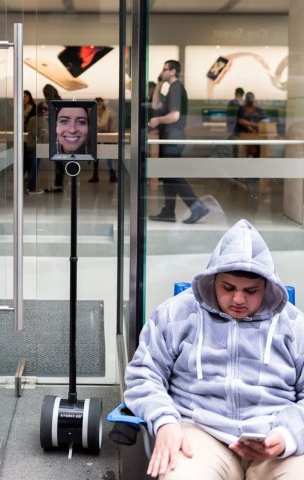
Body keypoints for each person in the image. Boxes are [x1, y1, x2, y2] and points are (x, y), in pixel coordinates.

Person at [124, 218, 304, 480]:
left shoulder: (294, 324)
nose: (238, 299)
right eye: (228, 287)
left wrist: (288, 436)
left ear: (267, 287)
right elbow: (144, 375)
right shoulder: (176, 314)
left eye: (251, 291)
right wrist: (164, 422)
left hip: (276, 437)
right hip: (201, 433)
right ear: (212, 280)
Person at [148, 60, 209, 224]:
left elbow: (175, 116)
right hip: (170, 138)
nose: (162, 71)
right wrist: (159, 83)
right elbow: (155, 105)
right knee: (168, 176)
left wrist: (157, 120)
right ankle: (168, 211)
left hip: (173, 138)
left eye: (165, 69)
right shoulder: (171, 89)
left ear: (173, 71)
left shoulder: (176, 88)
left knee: (172, 175)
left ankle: (197, 206)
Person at [236, 92, 266, 197]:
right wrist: (250, 125)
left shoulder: (258, 110)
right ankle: (242, 177)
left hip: (257, 136)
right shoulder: (242, 109)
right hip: (243, 136)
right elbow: (240, 120)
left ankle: (255, 174)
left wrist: (254, 126)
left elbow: (264, 121)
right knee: (242, 155)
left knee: (256, 155)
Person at [88, 97, 117, 183]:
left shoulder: (108, 114)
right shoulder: (92, 114)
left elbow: (112, 127)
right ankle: (95, 175)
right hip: (96, 137)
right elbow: (91, 126)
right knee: (96, 157)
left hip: (107, 137)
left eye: (100, 104)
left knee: (109, 156)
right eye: (97, 104)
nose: (98, 106)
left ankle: (112, 174)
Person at [43, 84, 65, 193]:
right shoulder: (60, 102)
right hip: (62, 135)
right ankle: (58, 184)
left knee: (58, 162)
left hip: (56, 136)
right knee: (59, 162)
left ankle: (58, 184)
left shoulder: (53, 103)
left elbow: (53, 120)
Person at [25, 101, 49, 194]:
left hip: (31, 146)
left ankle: (31, 187)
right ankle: (32, 188)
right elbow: (40, 134)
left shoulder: (32, 119)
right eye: (46, 109)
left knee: (32, 168)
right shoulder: (42, 121)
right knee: (34, 169)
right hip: (37, 147)